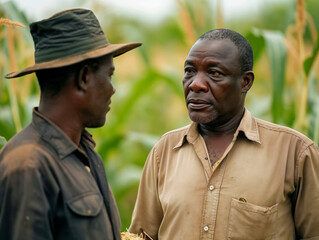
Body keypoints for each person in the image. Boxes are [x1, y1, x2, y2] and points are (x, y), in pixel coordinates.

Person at [129, 29, 319, 239]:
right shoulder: (163, 151)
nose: (195, 84)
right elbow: (140, 236)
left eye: (215, 73)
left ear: (245, 82)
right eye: (189, 71)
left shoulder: (295, 153)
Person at [0, 9, 141, 240]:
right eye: (110, 76)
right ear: (84, 78)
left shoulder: (86, 155)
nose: (113, 89)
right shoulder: (27, 165)